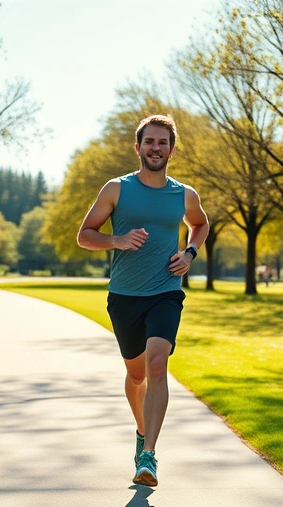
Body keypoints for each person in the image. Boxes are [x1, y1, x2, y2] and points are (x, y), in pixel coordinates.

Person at [76, 114, 209, 487]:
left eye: (162, 142)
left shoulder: (185, 195)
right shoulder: (115, 190)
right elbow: (85, 235)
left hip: (166, 292)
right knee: (136, 375)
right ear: (138, 148)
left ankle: (148, 455)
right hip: (124, 297)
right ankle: (140, 430)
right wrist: (116, 240)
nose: (156, 148)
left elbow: (201, 224)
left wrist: (190, 253)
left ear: (172, 149)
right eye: (149, 142)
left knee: (156, 363)